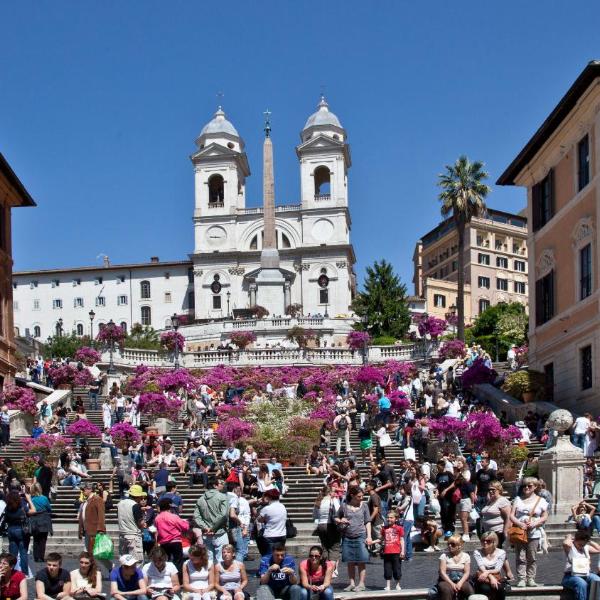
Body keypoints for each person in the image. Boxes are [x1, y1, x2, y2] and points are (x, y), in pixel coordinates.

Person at [509, 476, 549, 587]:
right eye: (524, 485)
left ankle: (530, 578)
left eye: (529, 485)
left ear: (535, 487)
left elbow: (545, 516)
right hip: (520, 530)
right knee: (520, 556)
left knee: (532, 556)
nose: (526, 487)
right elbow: (511, 515)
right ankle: (521, 578)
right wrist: (520, 523)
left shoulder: (541, 500)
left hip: (534, 531)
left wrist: (535, 523)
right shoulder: (518, 499)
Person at [335, 485, 372, 593]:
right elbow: (336, 517)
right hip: (347, 536)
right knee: (350, 561)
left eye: (362, 496)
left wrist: (369, 536)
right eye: (359, 496)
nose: (361, 498)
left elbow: (367, 521)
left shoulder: (364, 506)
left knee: (362, 560)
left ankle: (361, 584)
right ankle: (351, 583)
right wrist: (341, 520)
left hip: (361, 535)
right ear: (352, 495)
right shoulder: (344, 506)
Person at [562, 531, 600, 600]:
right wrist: (569, 537)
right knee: (581, 583)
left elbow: (598, 549)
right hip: (570, 575)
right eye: (580, 544)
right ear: (575, 540)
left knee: (597, 579)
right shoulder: (570, 547)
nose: (581, 546)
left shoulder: (585, 547)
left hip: (586, 574)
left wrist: (589, 541)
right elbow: (566, 543)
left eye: (583, 544)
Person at [155, 497, 189, 572]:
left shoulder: (157, 518)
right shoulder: (173, 516)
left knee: (165, 561)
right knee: (178, 561)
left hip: (164, 543)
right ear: (169, 507)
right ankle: (178, 579)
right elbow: (185, 527)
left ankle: (167, 576)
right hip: (175, 542)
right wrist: (186, 522)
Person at [5, 489, 35, 575]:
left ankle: (11, 572)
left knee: (13, 554)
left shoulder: (8, 507)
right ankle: (24, 573)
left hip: (11, 530)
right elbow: (33, 510)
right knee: (23, 553)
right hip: (21, 531)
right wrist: (29, 500)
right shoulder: (21, 506)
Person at [473, 532, 509, 600]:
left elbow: (497, 569)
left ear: (494, 542)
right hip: (483, 577)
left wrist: (487, 573)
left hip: (496, 576)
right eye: (483, 540)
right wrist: (491, 577)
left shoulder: (501, 552)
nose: (485, 542)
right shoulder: (477, 552)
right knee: (485, 589)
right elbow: (481, 567)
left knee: (500, 588)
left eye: (488, 541)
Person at [436, 535, 474, 600]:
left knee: (469, 589)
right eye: (448, 544)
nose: (450, 546)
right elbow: (442, 572)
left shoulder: (466, 556)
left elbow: (467, 572)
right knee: (447, 590)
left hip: (461, 579)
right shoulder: (444, 556)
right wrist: (452, 583)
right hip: (446, 579)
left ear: (459, 546)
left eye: (453, 544)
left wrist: (460, 583)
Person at [117, 484, 146, 564]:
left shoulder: (120, 503)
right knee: (136, 562)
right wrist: (144, 524)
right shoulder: (135, 505)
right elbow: (140, 523)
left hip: (122, 534)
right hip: (133, 535)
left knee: (124, 561)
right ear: (138, 496)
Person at [312, 486, 341, 565]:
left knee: (325, 547)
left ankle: (325, 566)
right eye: (334, 492)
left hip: (321, 525)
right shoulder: (333, 500)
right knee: (334, 548)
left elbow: (314, 516)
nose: (334, 493)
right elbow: (338, 513)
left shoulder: (318, 501)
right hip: (331, 525)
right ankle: (332, 569)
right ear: (330, 492)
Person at [480, 481, 512, 549]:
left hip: (498, 532)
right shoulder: (490, 500)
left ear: (499, 490)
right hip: (487, 532)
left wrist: (505, 532)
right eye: (489, 490)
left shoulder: (503, 501)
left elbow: (508, 517)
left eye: (493, 489)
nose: (490, 491)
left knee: (496, 554)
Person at [257, 489, 288, 556]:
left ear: (269, 497)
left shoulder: (267, 508)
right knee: (280, 555)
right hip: (282, 534)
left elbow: (259, 520)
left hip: (270, 535)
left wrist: (261, 504)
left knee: (270, 556)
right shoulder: (283, 506)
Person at [379, 511, 404, 592]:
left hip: (396, 552)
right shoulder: (384, 528)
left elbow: (401, 540)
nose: (389, 519)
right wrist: (372, 542)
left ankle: (397, 584)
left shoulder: (399, 528)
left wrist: (402, 551)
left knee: (397, 569)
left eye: (391, 517)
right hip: (387, 552)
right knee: (387, 569)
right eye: (388, 517)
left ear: (396, 519)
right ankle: (388, 586)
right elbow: (381, 539)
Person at [30, 482, 53, 562]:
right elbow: (49, 508)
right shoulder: (44, 498)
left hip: (35, 520)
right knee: (43, 540)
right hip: (44, 520)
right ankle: (41, 556)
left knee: (36, 540)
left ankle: (36, 556)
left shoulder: (32, 499)